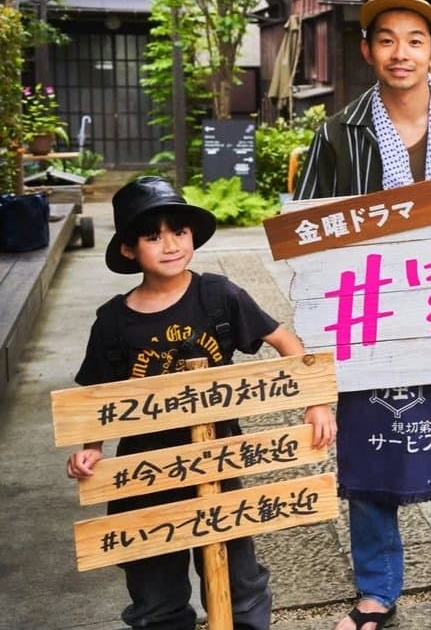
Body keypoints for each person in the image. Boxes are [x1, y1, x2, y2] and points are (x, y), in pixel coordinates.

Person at [294, 0, 431, 630]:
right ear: (367, 51)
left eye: (415, 40)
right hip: (371, 312)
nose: (400, 53)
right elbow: (306, 231)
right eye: (386, 39)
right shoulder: (339, 131)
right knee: (374, 441)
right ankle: (376, 589)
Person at [65, 175, 337, 630]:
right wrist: (90, 449)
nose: (171, 245)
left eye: (179, 231)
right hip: (145, 472)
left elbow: (285, 341)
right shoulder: (112, 322)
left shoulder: (218, 296)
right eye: (153, 237)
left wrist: (316, 402)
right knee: (155, 589)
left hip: (219, 460)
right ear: (129, 249)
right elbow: (96, 398)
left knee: (237, 578)